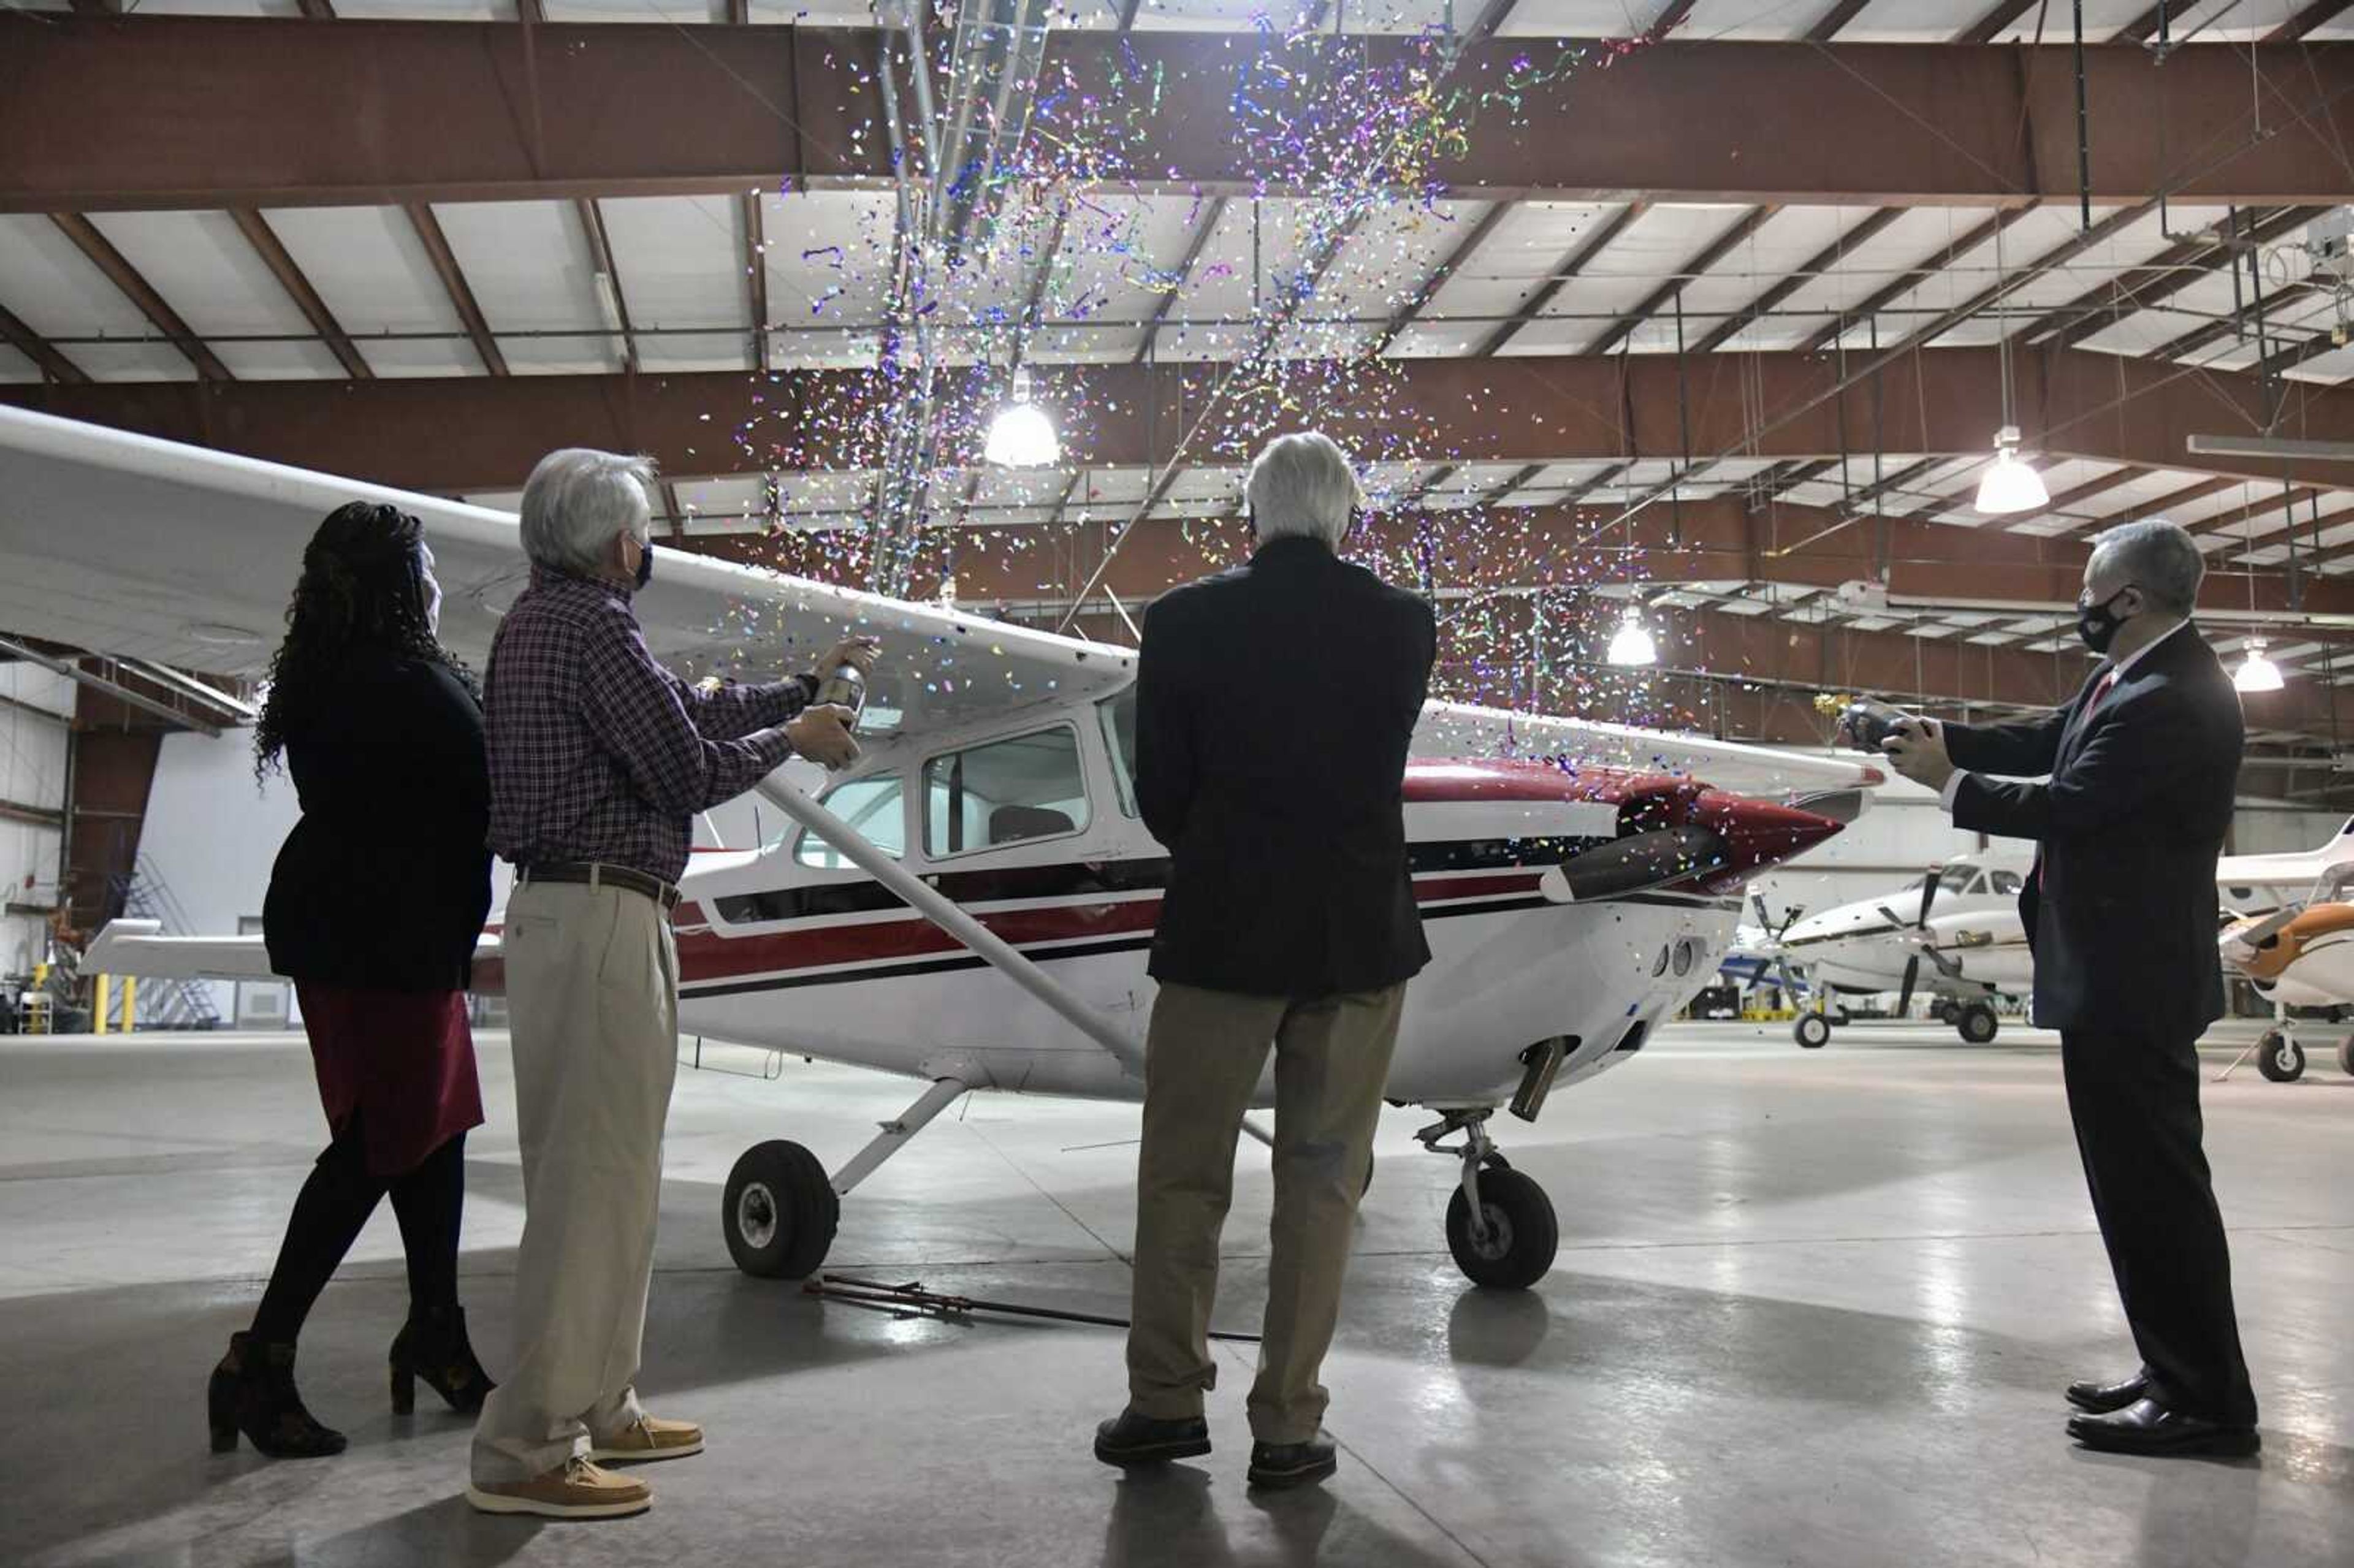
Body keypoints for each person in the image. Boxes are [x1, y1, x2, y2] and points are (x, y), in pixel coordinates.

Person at [466, 448, 874, 1520]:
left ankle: (600, 1401)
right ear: (615, 541)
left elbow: (687, 714)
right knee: (590, 1190)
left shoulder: (550, 623)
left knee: (618, 1178)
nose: (647, 549)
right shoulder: (592, 626)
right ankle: (527, 1446)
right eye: (641, 531)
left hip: (600, 911)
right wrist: (799, 734)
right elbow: (687, 766)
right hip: (599, 913)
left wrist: (799, 689)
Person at [1867, 517, 2258, 1458]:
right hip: (2115, 973)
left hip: (2134, 980)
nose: (2077, 603)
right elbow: (2053, 737)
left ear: (2125, 599)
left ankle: (2206, 1398)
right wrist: (1941, 736)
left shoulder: (2172, 695)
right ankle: (2176, 1368)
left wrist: (1946, 782)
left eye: (2088, 587)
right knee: (2136, 1189)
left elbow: (2072, 803)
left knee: (2153, 1191)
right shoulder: (2134, 675)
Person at [1093, 432, 1437, 1491]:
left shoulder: (1184, 622)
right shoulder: (1405, 626)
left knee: (1183, 1174)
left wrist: (1227, 851)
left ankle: (1164, 1404)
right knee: (1325, 1183)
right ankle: (1288, 1424)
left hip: (1221, 935)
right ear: (1345, 517)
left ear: (1251, 514)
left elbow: (1164, 793)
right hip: (1357, 940)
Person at [210, 501, 496, 1459]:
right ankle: (261, 1359)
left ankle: (436, 1329)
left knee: (434, 1128)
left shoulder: (358, 674)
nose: (437, 578)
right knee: (381, 1141)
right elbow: (472, 788)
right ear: (395, 581)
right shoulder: (391, 683)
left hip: (398, 934)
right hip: (374, 940)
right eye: (426, 562)